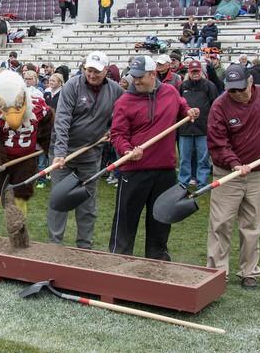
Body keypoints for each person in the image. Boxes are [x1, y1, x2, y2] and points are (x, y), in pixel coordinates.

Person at [206, 64, 260, 289]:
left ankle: (249, 271)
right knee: (221, 223)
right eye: (231, 90)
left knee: (253, 224)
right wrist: (235, 164)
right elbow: (217, 142)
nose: (236, 94)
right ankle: (217, 272)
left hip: (259, 174)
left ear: (250, 82)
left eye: (240, 89)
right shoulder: (220, 106)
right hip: (228, 174)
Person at [109, 55, 199, 260]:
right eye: (134, 77)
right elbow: (117, 134)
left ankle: (157, 260)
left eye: (140, 77)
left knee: (161, 218)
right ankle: (117, 260)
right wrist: (127, 150)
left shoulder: (170, 92)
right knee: (125, 219)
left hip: (165, 170)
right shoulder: (125, 101)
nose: (137, 81)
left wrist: (189, 111)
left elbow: (182, 107)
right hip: (133, 170)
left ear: (152, 74)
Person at [49, 52, 122, 248]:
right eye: (89, 70)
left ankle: (84, 245)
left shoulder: (115, 90)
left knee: (87, 203)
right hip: (64, 154)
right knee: (59, 199)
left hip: (91, 155)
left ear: (106, 71)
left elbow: (123, 115)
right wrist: (60, 154)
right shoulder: (72, 86)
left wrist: (111, 130)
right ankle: (54, 244)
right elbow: (62, 121)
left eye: (97, 71)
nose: (92, 74)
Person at [0, 70, 53, 235]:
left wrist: (49, 148)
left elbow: (47, 128)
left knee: (21, 196)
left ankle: (19, 233)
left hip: (26, 158)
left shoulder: (38, 105)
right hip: (3, 157)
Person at [178, 60, 218, 189]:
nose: (195, 74)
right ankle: (183, 182)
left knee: (203, 159)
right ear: (189, 72)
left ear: (201, 71)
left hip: (203, 128)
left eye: (197, 71)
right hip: (185, 128)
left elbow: (215, 106)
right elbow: (178, 105)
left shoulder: (209, 86)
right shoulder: (182, 86)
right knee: (184, 158)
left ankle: (202, 182)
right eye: (193, 71)